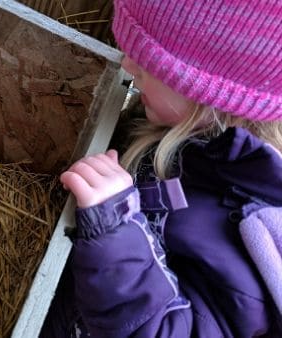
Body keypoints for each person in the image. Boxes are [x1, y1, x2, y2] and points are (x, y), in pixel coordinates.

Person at [41, 0, 282, 337]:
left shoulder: (250, 237)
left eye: (150, 62)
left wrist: (116, 228)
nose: (128, 64)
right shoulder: (182, 130)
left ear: (206, 90)